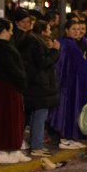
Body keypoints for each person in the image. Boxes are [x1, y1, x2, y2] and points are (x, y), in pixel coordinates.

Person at [0, 18, 31, 164]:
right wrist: (22, 80)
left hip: (5, 85)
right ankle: (5, 150)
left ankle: (13, 149)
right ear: (4, 31)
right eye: (10, 29)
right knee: (9, 118)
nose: (12, 33)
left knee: (12, 118)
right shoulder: (1, 47)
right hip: (8, 86)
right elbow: (12, 69)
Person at [48, 19, 87, 148]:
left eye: (79, 29)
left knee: (75, 110)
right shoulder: (66, 43)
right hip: (68, 85)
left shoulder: (76, 43)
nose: (77, 32)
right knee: (67, 110)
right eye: (73, 29)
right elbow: (61, 63)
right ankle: (65, 138)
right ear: (66, 30)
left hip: (77, 84)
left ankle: (71, 137)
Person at [20, 20, 60, 157]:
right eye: (48, 29)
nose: (50, 32)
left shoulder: (32, 41)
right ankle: (37, 146)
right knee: (40, 115)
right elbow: (44, 62)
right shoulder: (36, 43)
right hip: (39, 84)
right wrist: (55, 50)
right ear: (42, 31)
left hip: (35, 84)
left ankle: (35, 143)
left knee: (36, 115)